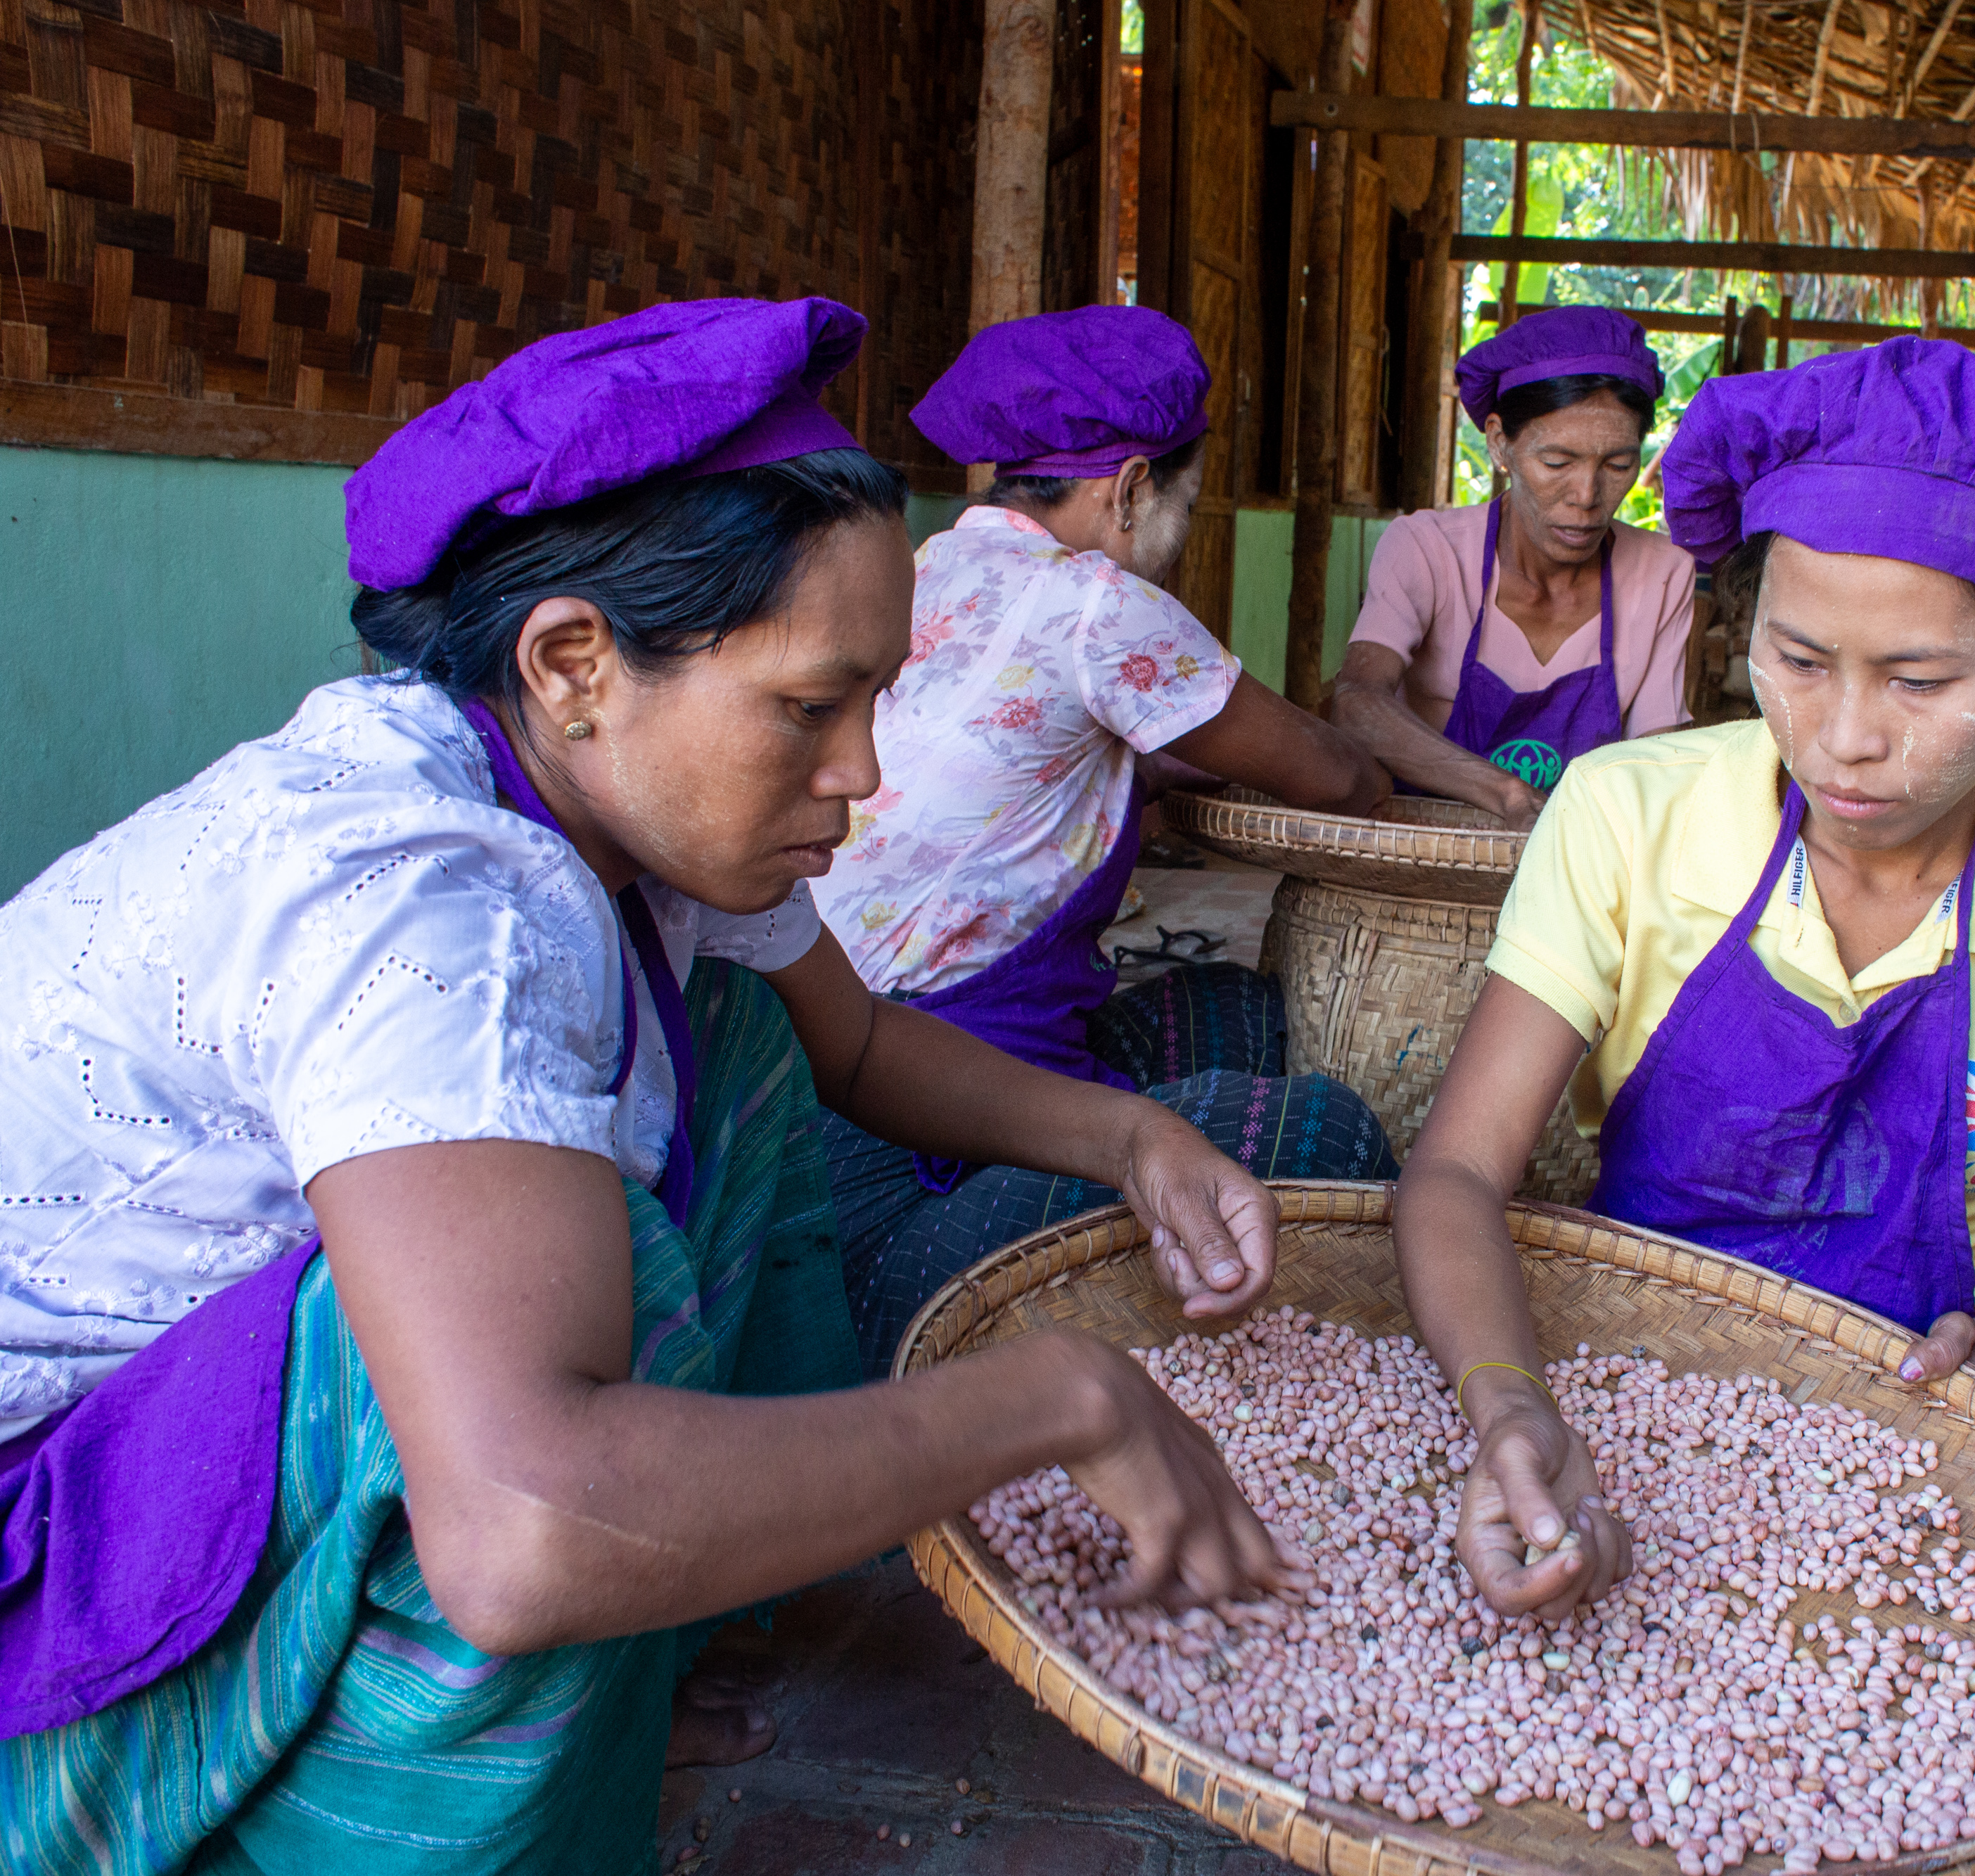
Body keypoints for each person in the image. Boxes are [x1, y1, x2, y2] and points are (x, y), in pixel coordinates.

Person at [0, 298, 1301, 1872]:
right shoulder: (420, 901)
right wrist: (1047, 1398)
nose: (864, 772)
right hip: (56, 1550)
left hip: (165, 1453)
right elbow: (524, 1528)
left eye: (876, 700)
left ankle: (679, 1613)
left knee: (732, 1053)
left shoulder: (620, 811)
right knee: (498, 1379)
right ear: (571, 663)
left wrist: (1134, 1135)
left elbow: (861, 1047)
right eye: (813, 708)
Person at [1391, 339, 1975, 1621]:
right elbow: (1457, 1170)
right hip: (1607, 1386)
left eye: (1921, 680)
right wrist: (1511, 1401)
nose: (1845, 738)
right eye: (1798, 660)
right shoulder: (1632, 817)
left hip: (1901, 1415)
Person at [811, 305, 1397, 1374]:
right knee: (1333, 1130)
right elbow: (1341, 775)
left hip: (830, 1093)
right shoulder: (1096, 605)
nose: (1177, 536)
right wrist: (1381, 741)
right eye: (1182, 504)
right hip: (914, 1164)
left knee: (1241, 1012)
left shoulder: (932, 565)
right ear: (1130, 487)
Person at [1329, 307, 1699, 828]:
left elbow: (1658, 762)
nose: (1587, 496)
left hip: (1578, 865)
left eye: (1618, 464)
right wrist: (1502, 792)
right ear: (1500, 443)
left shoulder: (1664, 573)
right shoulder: (1427, 550)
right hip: (1424, 856)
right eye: (1556, 464)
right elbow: (1355, 703)